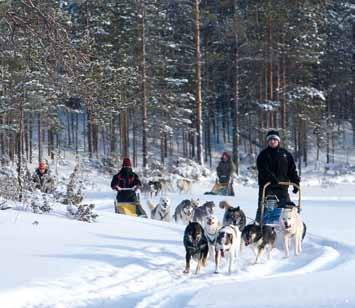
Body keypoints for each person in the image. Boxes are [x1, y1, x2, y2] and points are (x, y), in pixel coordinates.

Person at [255, 130, 300, 223]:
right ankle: (259, 227)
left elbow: (292, 170)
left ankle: (290, 227)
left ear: (278, 141)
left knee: (287, 208)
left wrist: (296, 182)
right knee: (265, 210)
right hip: (267, 188)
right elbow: (263, 169)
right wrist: (271, 178)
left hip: (282, 188)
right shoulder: (263, 155)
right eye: (270, 139)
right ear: (268, 141)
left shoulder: (285, 154)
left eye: (274, 139)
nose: (272, 141)